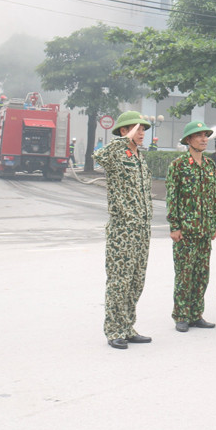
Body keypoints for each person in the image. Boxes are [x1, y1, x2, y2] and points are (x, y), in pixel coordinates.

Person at [92, 112, 153, 350]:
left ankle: (128, 327)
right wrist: (121, 139)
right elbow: (99, 155)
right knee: (120, 280)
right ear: (123, 131)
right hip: (123, 229)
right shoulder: (117, 153)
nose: (141, 134)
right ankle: (114, 329)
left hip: (142, 228)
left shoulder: (139, 157)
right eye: (137, 129)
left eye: (142, 130)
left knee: (137, 280)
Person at [166, 121, 216, 333]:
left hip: (204, 231)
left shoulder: (209, 165)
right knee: (184, 274)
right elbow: (173, 197)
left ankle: (196, 314)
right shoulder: (178, 165)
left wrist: (214, 225)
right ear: (189, 140)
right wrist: (175, 226)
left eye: (206, 135)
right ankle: (181, 315)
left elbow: (213, 198)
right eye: (199, 136)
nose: (204, 139)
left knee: (201, 274)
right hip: (186, 231)